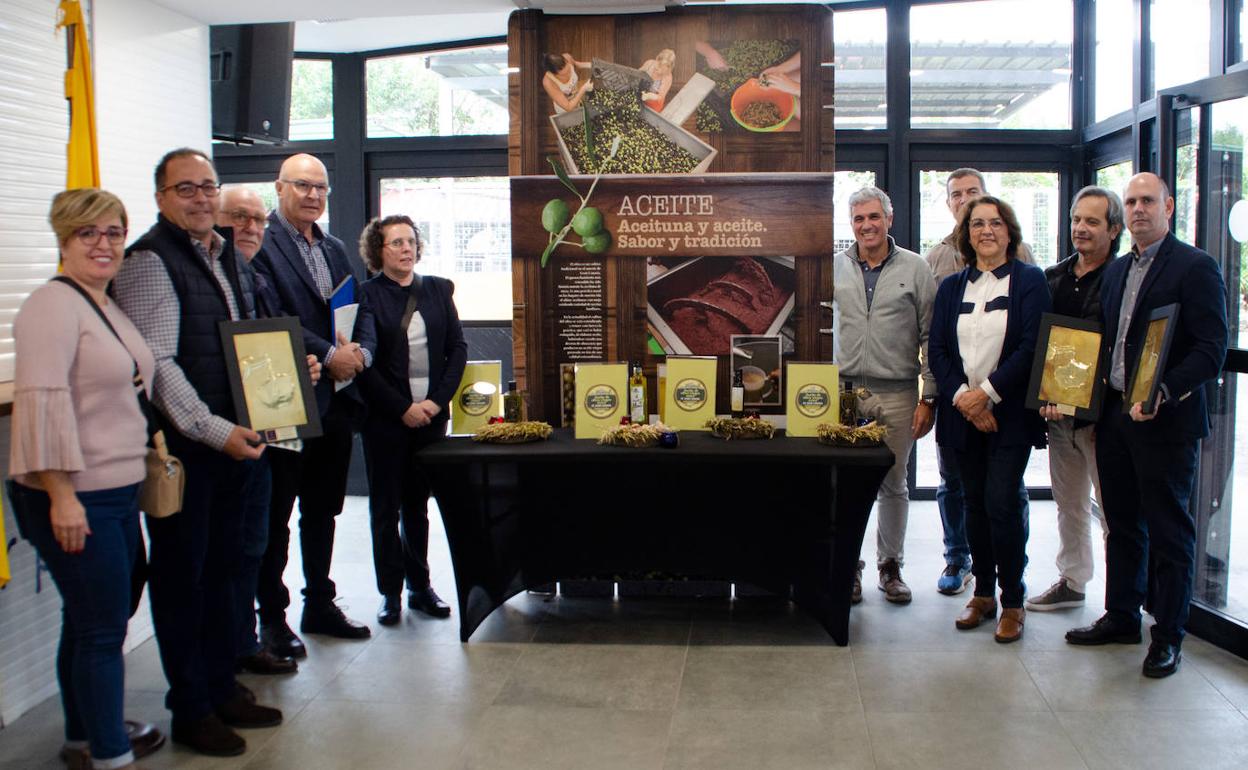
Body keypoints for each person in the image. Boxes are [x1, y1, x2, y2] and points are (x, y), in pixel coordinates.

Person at [113, 148, 282, 756]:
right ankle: (190, 707)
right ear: (160, 197)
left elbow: (239, 347)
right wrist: (217, 430)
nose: (201, 198)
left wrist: (275, 400)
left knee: (226, 573)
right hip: (189, 454)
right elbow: (158, 366)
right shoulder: (151, 262)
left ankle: (220, 686)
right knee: (185, 580)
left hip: (237, 445)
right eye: (186, 189)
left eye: (208, 187)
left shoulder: (222, 254)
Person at [9, 189, 156, 770]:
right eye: (87, 233)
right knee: (101, 628)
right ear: (63, 239)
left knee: (94, 618)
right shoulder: (52, 306)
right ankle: (110, 754)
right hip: (77, 495)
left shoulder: (101, 302)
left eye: (114, 232)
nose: (103, 244)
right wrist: (63, 496)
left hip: (115, 492)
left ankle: (83, 737)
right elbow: (41, 405)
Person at [1066, 172, 1228, 678]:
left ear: (1169, 207)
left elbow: (1211, 348)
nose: (1138, 209)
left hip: (1165, 421)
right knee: (1122, 525)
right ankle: (1121, 615)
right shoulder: (1115, 272)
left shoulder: (1195, 267)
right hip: (1116, 416)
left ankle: (1168, 636)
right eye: (1131, 201)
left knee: (1168, 531)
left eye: (1147, 201)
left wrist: (1164, 390)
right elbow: (1107, 347)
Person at [252, 153, 375, 658]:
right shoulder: (261, 244)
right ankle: (273, 619)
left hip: (337, 403)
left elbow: (358, 307)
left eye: (321, 188)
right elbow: (270, 316)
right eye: (303, 185)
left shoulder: (335, 247)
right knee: (277, 513)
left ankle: (319, 602)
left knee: (323, 509)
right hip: (286, 397)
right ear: (279, 188)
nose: (313, 196)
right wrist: (328, 353)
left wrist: (360, 353)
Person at [928, 195, 1050, 644]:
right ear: (966, 233)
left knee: (1002, 502)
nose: (986, 231)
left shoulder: (1030, 281)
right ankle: (982, 594)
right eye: (977, 224)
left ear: (1009, 230)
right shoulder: (950, 287)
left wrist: (987, 395)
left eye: (995, 223)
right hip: (963, 415)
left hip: (1009, 416)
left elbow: (1031, 346)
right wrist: (964, 399)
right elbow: (937, 350)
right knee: (972, 504)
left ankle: (1013, 600)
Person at [354, 216, 468, 624]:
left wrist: (436, 403)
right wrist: (402, 408)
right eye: (396, 242)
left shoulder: (437, 289)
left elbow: (456, 349)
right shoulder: (366, 295)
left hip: (431, 418)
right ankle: (390, 593)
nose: (406, 248)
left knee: (417, 506)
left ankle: (421, 587)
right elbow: (364, 365)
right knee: (385, 509)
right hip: (386, 420)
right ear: (378, 251)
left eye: (411, 241)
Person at [832, 187, 937, 605]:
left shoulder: (915, 269)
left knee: (893, 484)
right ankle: (848, 567)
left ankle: (890, 566)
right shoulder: (834, 267)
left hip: (896, 392)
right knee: (841, 483)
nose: (866, 226)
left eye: (873, 217)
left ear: (889, 219)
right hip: (841, 392)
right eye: (858, 219)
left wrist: (929, 396)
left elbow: (931, 335)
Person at [213, 187, 298, 677]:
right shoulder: (217, 276)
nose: (249, 227)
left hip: (265, 432)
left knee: (255, 542)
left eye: (256, 219)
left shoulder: (251, 280)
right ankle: (233, 649)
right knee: (230, 551)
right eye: (237, 217)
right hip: (221, 439)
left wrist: (299, 366)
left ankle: (245, 643)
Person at [1027, 186, 1122, 612]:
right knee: (1069, 503)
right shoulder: (1053, 278)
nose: (1080, 229)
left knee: (1115, 510)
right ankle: (1073, 581)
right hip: (1057, 414)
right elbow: (1041, 345)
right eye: (1076, 220)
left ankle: (1121, 598)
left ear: (1113, 230)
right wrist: (1047, 396)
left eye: (1092, 222)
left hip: (1105, 418)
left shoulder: (1122, 280)